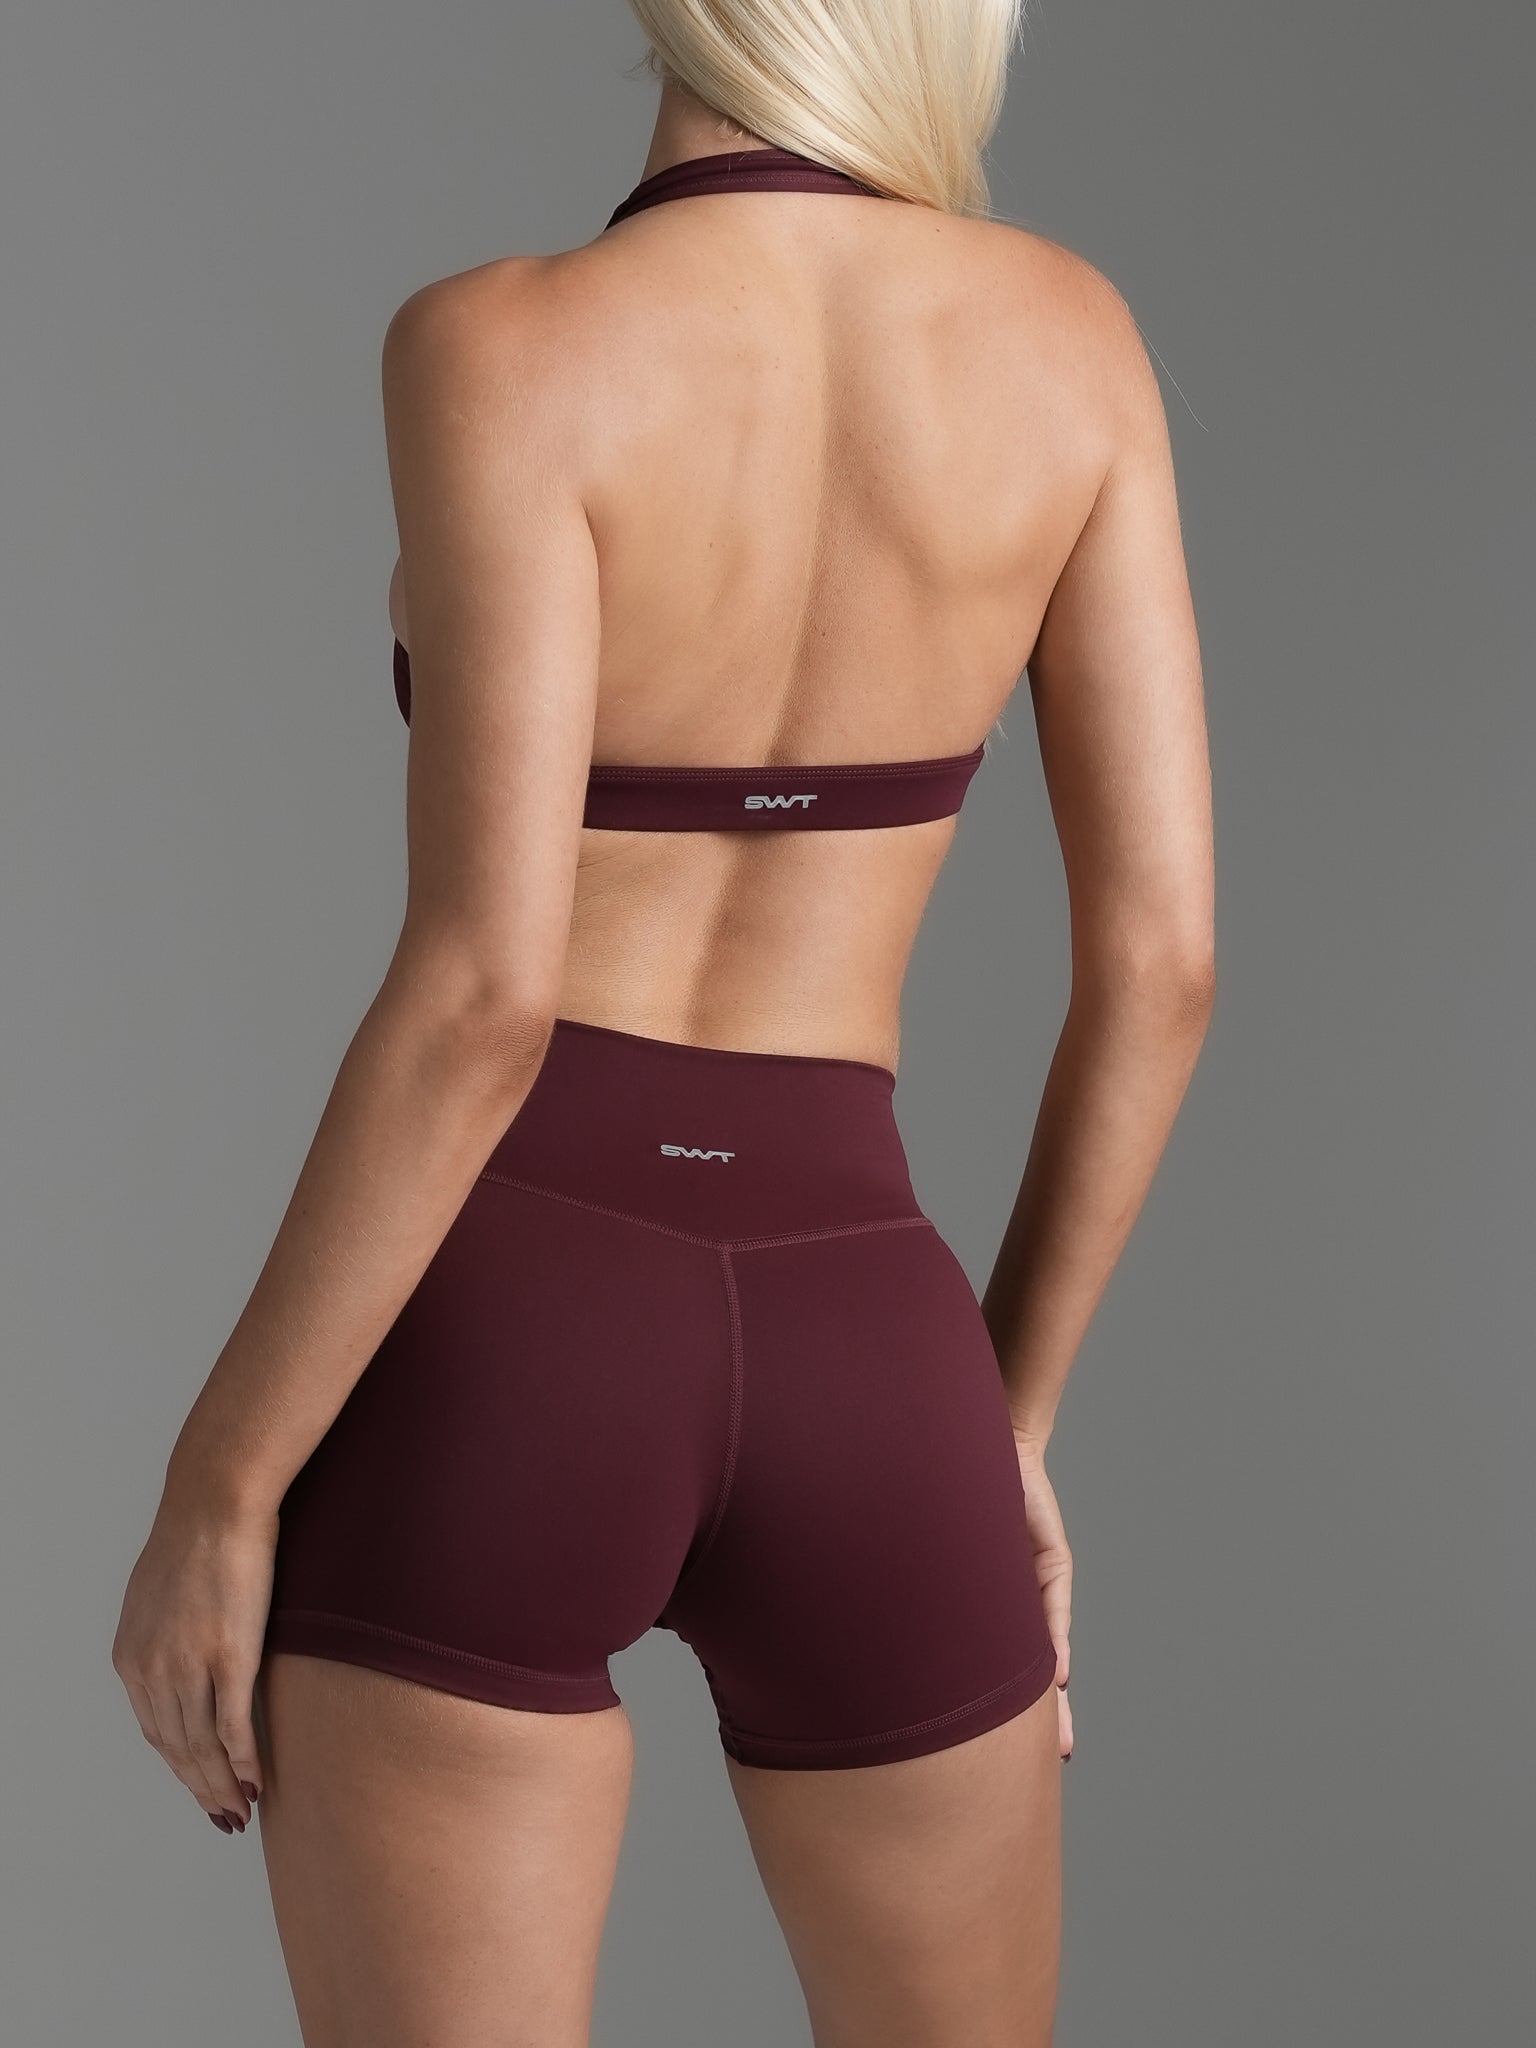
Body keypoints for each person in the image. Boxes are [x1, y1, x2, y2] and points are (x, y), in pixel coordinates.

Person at [111, 2, 1214, 2039]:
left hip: (512, 1311)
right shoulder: (1073, 343)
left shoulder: (498, 345)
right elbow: (1162, 961)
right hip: (871, 1331)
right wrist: (1006, 1422)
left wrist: (222, 1480)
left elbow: (484, 991)